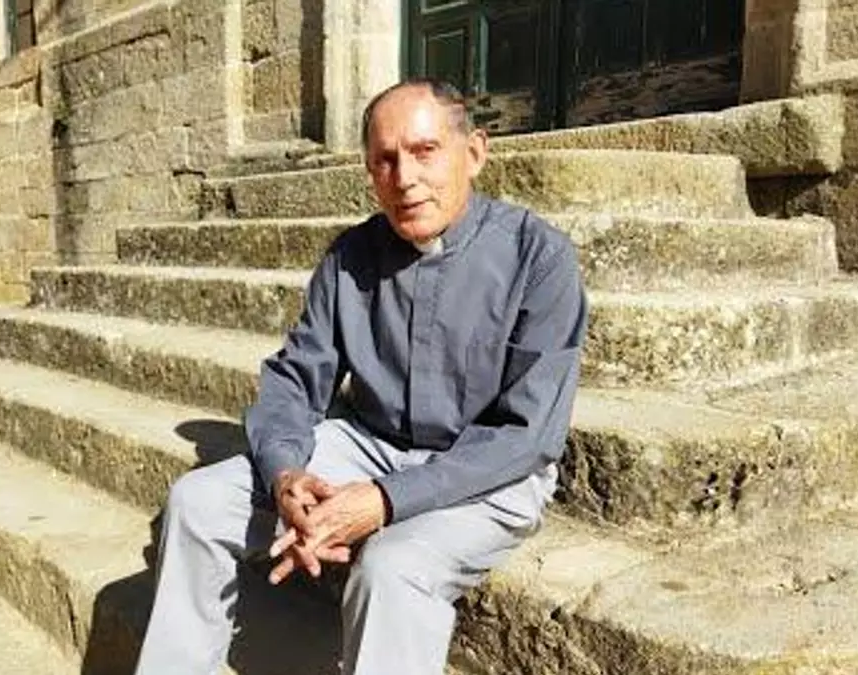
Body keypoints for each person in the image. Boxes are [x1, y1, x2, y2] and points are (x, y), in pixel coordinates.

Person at [134, 79, 588, 675]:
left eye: (425, 152)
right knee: (196, 502)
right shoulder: (351, 257)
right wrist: (285, 473)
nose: (404, 179)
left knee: (391, 569)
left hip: (488, 469)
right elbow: (297, 378)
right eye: (385, 160)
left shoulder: (540, 258)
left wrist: (385, 500)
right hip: (369, 446)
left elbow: (527, 435)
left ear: (474, 152)